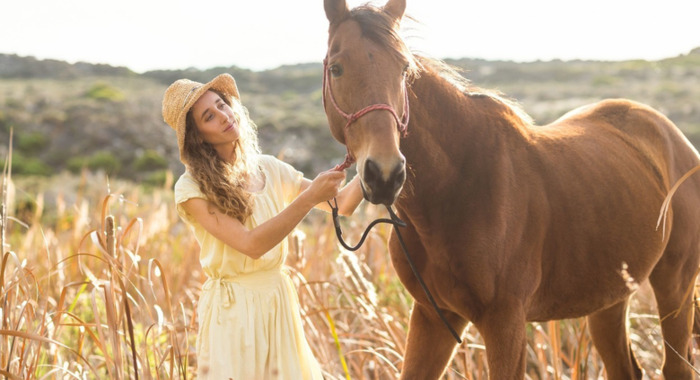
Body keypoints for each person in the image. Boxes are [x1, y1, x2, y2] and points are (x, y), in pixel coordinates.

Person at [161, 73, 363, 379]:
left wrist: (376, 159)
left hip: (278, 302)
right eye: (209, 116)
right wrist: (308, 198)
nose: (224, 116)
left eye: (222, 105)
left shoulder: (269, 167)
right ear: (198, 136)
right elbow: (251, 245)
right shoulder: (191, 188)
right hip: (234, 313)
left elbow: (343, 204)